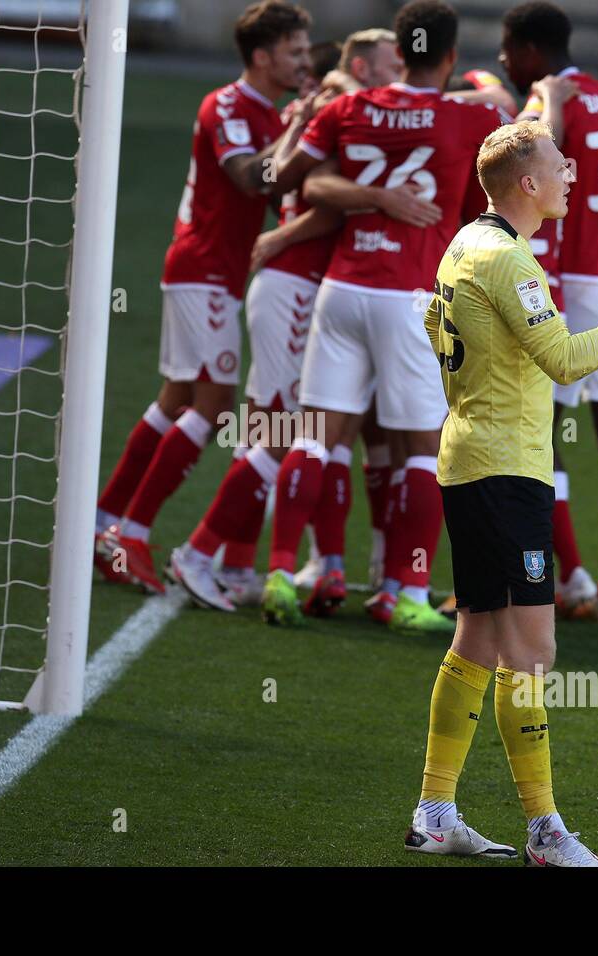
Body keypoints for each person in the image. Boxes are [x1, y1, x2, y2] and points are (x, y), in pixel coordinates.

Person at [407, 120, 598, 864]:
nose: (574, 172)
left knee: (476, 637)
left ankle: (435, 811)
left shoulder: (465, 246)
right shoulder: (507, 260)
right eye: (559, 165)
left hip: (472, 461)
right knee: (531, 653)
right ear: (527, 184)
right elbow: (567, 361)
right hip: (505, 475)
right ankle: (546, 832)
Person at [259, 0, 511, 633]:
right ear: (450, 56)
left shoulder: (347, 108)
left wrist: (360, 188)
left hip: (342, 288)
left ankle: (282, 574)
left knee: (316, 434)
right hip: (409, 298)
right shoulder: (463, 120)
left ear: (400, 51)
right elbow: (473, 213)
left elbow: (288, 179)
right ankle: (404, 591)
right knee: (425, 450)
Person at [168, 29, 424, 611]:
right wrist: (292, 231)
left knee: (283, 432)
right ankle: (198, 552)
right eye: (392, 64)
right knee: (282, 432)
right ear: (363, 66)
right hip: (295, 282)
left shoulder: (358, 112)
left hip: (308, 286)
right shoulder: (347, 110)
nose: (401, 74)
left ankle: (237, 562)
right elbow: (322, 197)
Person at [93, 1, 313, 594]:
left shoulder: (268, 114)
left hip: (216, 274)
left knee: (175, 400)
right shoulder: (229, 106)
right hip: (203, 270)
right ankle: (132, 534)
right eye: (293, 51)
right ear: (263, 56)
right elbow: (251, 177)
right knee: (215, 406)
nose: (302, 61)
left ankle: (104, 521)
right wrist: (303, 127)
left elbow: (278, 194)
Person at [501, 1, 598, 626]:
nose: (505, 63)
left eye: (509, 52)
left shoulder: (551, 102)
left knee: (543, 432)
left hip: (583, 276)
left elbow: (537, 159)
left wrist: (539, 104)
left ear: (532, 52)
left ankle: (572, 576)